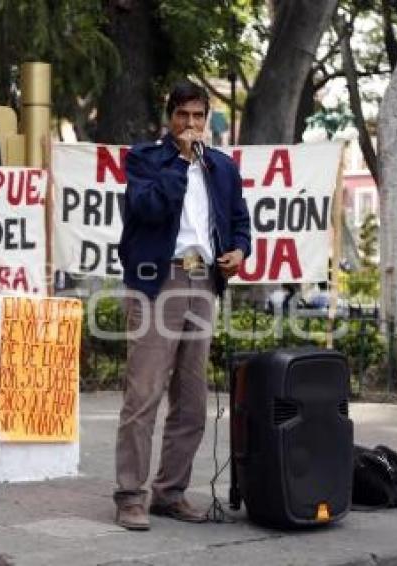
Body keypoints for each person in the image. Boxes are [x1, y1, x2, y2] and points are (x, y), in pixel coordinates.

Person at [114, 80, 252, 530]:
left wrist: (239, 251)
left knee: (192, 401)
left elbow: (238, 221)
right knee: (144, 394)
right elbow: (150, 209)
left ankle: (169, 492)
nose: (191, 125)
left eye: (198, 116)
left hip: (203, 281)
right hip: (159, 281)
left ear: (206, 116)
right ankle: (130, 496)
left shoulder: (222, 168)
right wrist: (180, 162)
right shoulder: (146, 159)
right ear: (169, 116)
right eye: (182, 116)